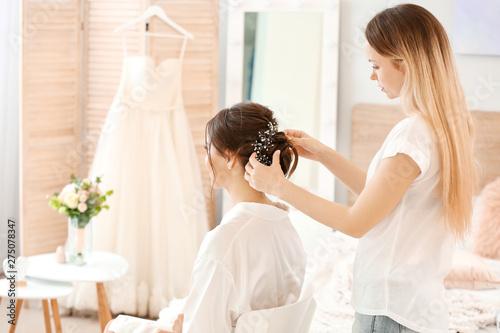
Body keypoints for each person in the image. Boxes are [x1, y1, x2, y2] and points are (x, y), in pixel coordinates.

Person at [244, 4, 477, 333]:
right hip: (416, 307)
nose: (372, 76)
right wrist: (324, 154)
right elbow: (381, 197)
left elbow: (357, 223)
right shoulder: (445, 128)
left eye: (376, 65)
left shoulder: (413, 132)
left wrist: (280, 188)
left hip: (389, 311)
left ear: (405, 63)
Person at [104, 102, 307, 333]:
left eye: (207, 149)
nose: (205, 159)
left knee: (115, 326)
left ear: (230, 157)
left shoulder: (225, 241)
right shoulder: (284, 222)